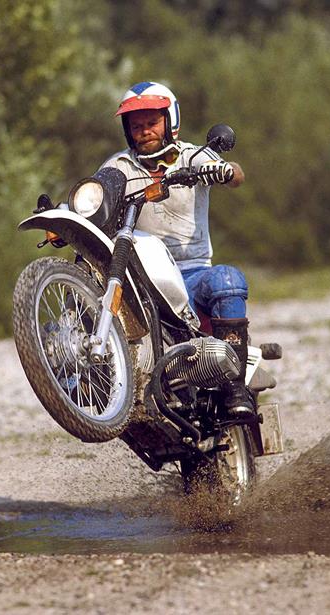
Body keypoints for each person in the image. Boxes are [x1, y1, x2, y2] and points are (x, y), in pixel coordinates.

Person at [99, 81, 254, 418]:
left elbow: (238, 175)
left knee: (226, 280)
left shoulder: (193, 155)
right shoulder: (118, 167)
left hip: (192, 272)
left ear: (170, 120)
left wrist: (224, 171)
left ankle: (235, 388)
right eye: (135, 125)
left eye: (152, 122)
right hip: (142, 280)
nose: (144, 132)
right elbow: (97, 195)